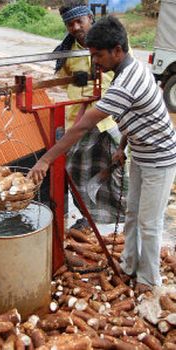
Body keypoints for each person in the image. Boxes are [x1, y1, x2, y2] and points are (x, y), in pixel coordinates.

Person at [29, 16, 176, 292]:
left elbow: (83, 126)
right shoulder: (126, 71)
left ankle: (148, 280)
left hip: (160, 158)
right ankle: (130, 263)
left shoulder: (126, 84)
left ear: (117, 50)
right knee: (132, 213)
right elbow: (136, 116)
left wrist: (47, 159)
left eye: (98, 55)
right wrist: (122, 147)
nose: (95, 61)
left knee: (150, 222)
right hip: (140, 152)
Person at [54, 0, 127, 226]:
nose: (75, 27)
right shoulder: (67, 51)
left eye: (79, 21)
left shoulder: (111, 41)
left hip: (110, 120)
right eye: (70, 24)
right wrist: (76, 81)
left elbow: (126, 69)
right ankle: (86, 216)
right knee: (77, 172)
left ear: (89, 18)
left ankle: (122, 216)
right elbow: (58, 82)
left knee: (117, 169)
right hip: (80, 119)